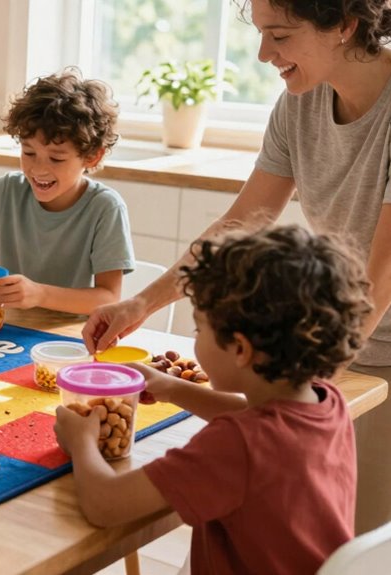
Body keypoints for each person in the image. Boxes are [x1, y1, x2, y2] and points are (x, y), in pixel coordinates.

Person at [81, 0, 391, 535]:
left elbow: (380, 276)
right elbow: (243, 219)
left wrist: (307, 385)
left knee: (352, 547)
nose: (263, 53)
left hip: (358, 354)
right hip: (322, 354)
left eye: (281, 36)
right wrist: (142, 302)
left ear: (344, 25)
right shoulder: (300, 104)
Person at [57, 225, 371, 574]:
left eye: (199, 329)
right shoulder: (327, 403)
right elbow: (257, 417)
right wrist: (174, 388)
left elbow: (107, 505)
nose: (196, 338)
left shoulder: (236, 445)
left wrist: (82, 440)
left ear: (240, 348)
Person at [0, 68, 134, 315]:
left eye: (56, 158)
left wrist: (39, 294)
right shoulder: (10, 191)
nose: (38, 169)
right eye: (29, 153)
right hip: (10, 329)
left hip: (68, 337)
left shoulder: (104, 208)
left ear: (92, 157)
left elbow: (108, 298)